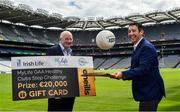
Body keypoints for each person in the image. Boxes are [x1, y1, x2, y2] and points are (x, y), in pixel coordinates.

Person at [111, 22, 165, 111]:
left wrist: (123, 74)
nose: (131, 33)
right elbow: (137, 69)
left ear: (141, 32)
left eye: (134, 31)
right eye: (129, 31)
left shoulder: (146, 47)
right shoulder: (139, 46)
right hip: (148, 91)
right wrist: (122, 74)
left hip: (150, 90)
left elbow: (142, 69)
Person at [46, 31, 75, 111]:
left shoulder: (72, 52)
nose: (69, 41)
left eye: (70, 39)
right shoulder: (52, 50)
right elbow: (47, 70)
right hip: (56, 91)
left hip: (70, 92)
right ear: (60, 39)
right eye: (66, 39)